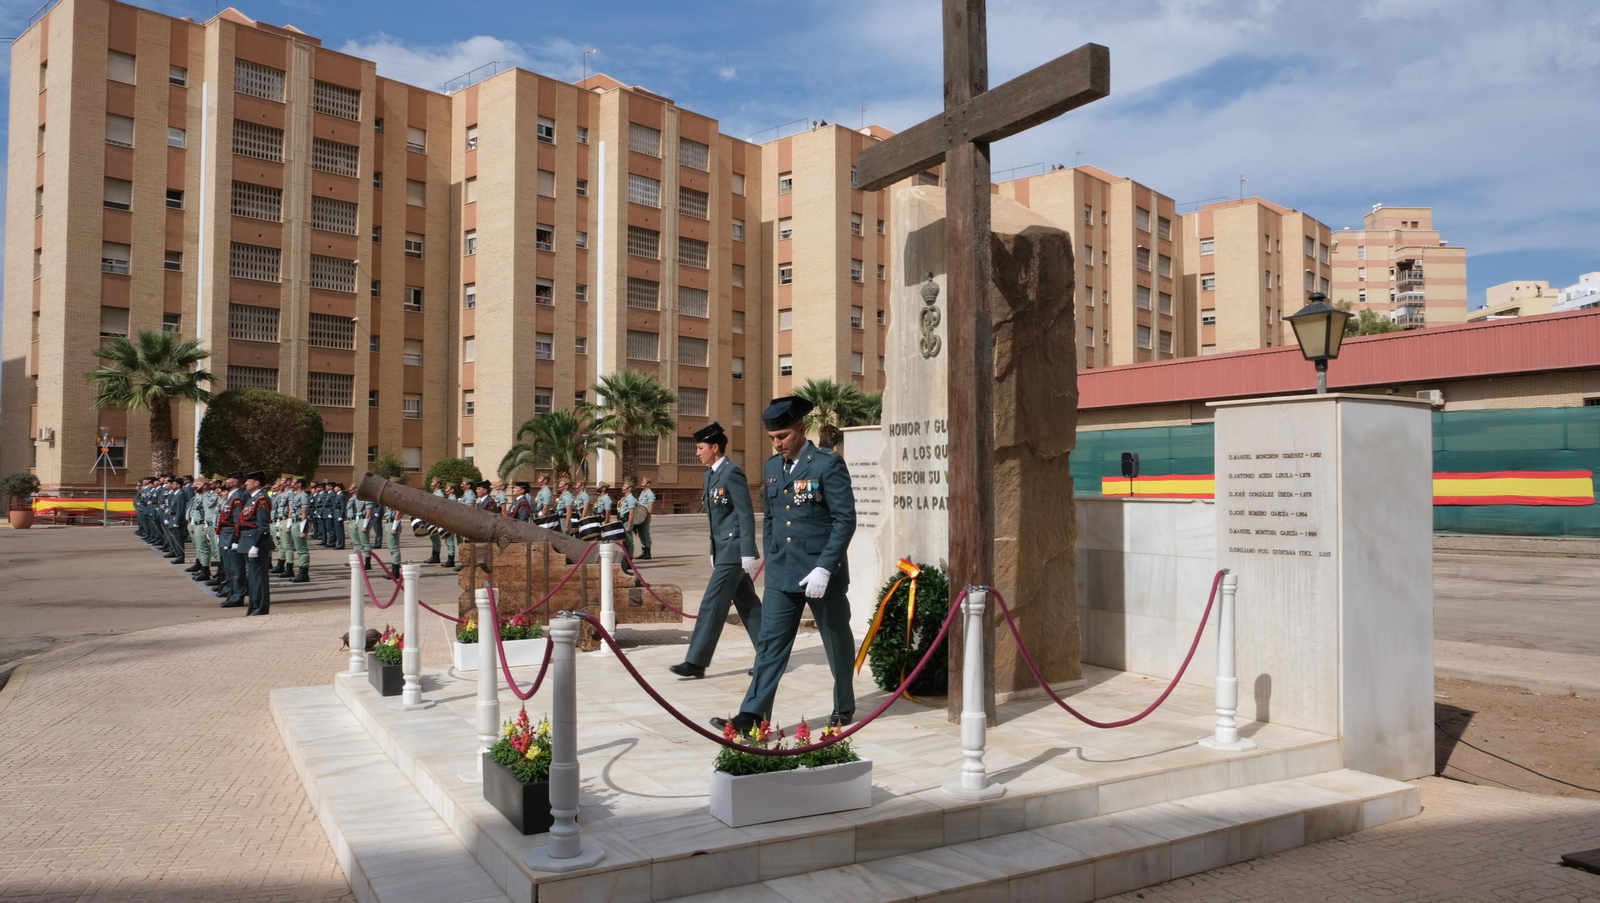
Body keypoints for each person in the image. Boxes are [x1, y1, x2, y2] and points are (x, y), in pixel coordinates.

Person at [711, 396, 858, 734]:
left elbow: (844, 520)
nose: (777, 444)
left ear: (801, 429)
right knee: (769, 645)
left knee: (836, 641)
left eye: (783, 436)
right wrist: (769, 556)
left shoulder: (827, 464)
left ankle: (843, 705)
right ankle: (752, 715)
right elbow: (773, 520)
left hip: (821, 573)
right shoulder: (771, 468)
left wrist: (826, 566)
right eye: (772, 438)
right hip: (782, 573)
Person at [670, 423, 763, 679]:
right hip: (723, 550)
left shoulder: (732, 473)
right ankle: (770, 656)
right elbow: (716, 518)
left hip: (734, 550)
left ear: (714, 447)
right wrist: (714, 549)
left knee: (712, 602)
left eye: (700, 448)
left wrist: (747, 551)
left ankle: (696, 661)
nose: (697, 453)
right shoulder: (710, 475)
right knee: (749, 606)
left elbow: (745, 513)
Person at [237, 471, 273, 615]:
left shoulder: (261, 499)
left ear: (257, 483)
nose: (246, 483)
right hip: (247, 540)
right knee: (252, 577)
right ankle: (254, 605)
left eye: (249, 481)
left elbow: (263, 526)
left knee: (258, 578)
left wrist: (256, 545)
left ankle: (260, 608)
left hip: (255, 541)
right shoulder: (252, 498)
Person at [219, 472, 250, 608]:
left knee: (237, 569)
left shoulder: (238, 497)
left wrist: (236, 538)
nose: (226, 481)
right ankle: (232, 593)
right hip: (227, 535)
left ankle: (237, 596)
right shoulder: (232, 496)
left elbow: (238, 519)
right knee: (231, 568)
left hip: (232, 535)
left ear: (236, 482)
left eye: (229, 479)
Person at [286, 478, 311, 583]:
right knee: (298, 548)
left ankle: (304, 574)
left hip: (300, 523)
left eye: (294, 483)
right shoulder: (295, 495)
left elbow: (305, 514)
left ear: (300, 484)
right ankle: (301, 572)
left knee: (302, 549)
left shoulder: (304, 496)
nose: (292, 484)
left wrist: (303, 530)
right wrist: (288, 525)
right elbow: (291, 511)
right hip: (294, 522)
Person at [347, 484, 375, 569]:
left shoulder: (366, 498)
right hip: (355, 519)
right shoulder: (353, 498)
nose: (350, 489)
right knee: (356, 542)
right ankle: (357, 560)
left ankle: (367, 562)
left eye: (352, 488)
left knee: (365, 542)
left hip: (363, 519)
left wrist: (365, 525)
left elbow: (369, 512)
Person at [426, 479, 446, 564]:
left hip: (436, 519)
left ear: (438, 484)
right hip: (432, 518)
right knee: (433, 537)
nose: (431, 483)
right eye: (432, 482)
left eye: (434, 482)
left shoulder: (439, 494)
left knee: (435, 538)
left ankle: (436, 556)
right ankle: (434, 555)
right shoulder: (435, 493)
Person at [617, 480, 638, 560]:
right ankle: (626, 557)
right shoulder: (625, 498)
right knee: (624, 541)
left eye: (625, 486)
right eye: (623, 486)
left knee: (629, 541)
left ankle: (629, 558)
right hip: (622, 521)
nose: (623, 488)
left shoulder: (631, 499)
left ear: (629, 488)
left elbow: (631, 513)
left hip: (626, 521)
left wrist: (629, 525)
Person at [635, 479, 656, 559]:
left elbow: (650, 507)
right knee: (640, 534)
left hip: (645, 516)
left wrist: (647, 516)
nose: (642, 484)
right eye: (642, 482)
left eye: (644, 482)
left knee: (645, 534)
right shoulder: (643, 492)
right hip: (640, 517)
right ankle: (643, 551)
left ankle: (648, 552)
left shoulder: (650, 494)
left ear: (648, 484)